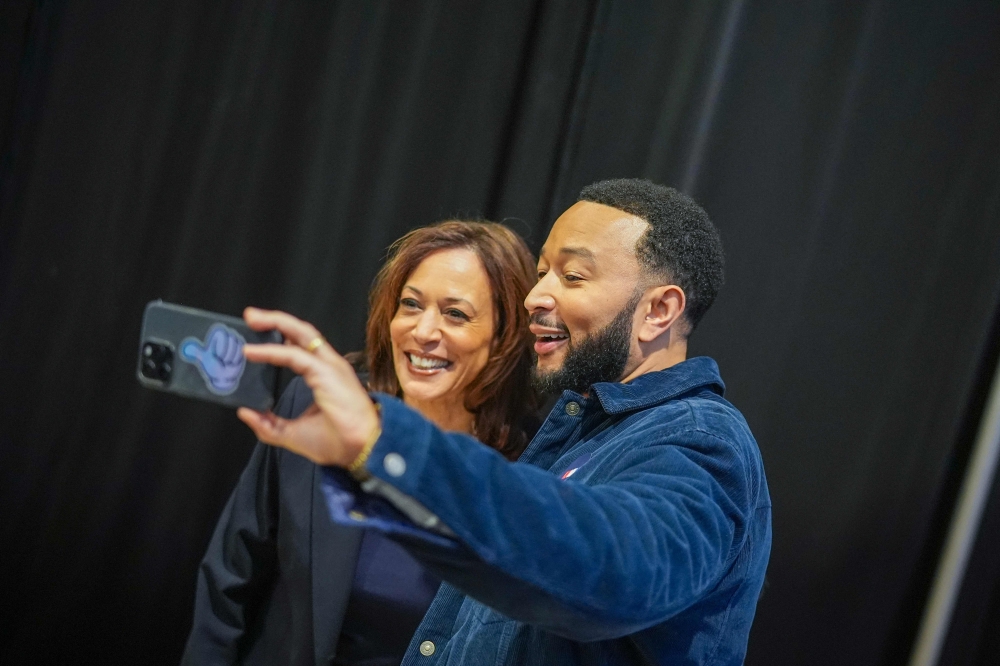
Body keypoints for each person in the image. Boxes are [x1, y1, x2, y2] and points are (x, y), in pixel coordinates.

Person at [238, 178, 772, 665]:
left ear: (659, 310)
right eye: (542, 273)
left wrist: (386, 442)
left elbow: (617, 570)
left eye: (573, 275)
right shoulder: (580, 430)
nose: (535, 296)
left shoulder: (699, 439)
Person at [180, 221, 539, 665]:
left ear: (505, 335)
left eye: (456, 314)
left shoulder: (534, 466)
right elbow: (230, 574)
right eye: (410, 305)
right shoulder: (317, 407)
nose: (423, 331)